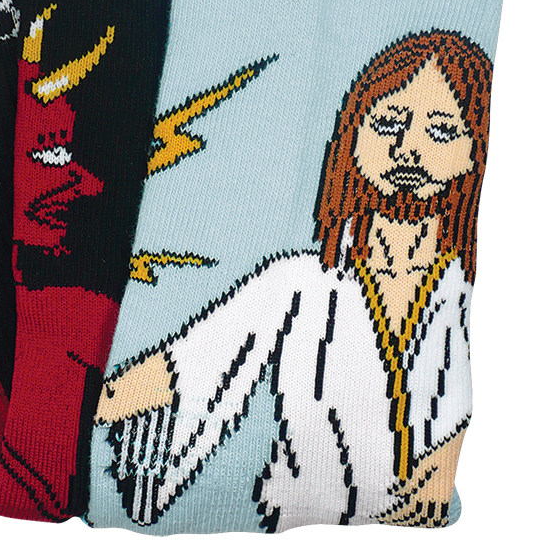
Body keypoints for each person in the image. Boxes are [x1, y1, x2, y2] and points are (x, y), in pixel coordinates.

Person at [95, 29, 492, 531]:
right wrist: (75, 407)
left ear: (473, 148)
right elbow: (189, 363)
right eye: (390, 123)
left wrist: (433, 481)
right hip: (290, 503)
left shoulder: (453, 290)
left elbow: (449, 416)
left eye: (440, 130)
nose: (409, 148)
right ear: (354, 135)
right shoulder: (303, 283)